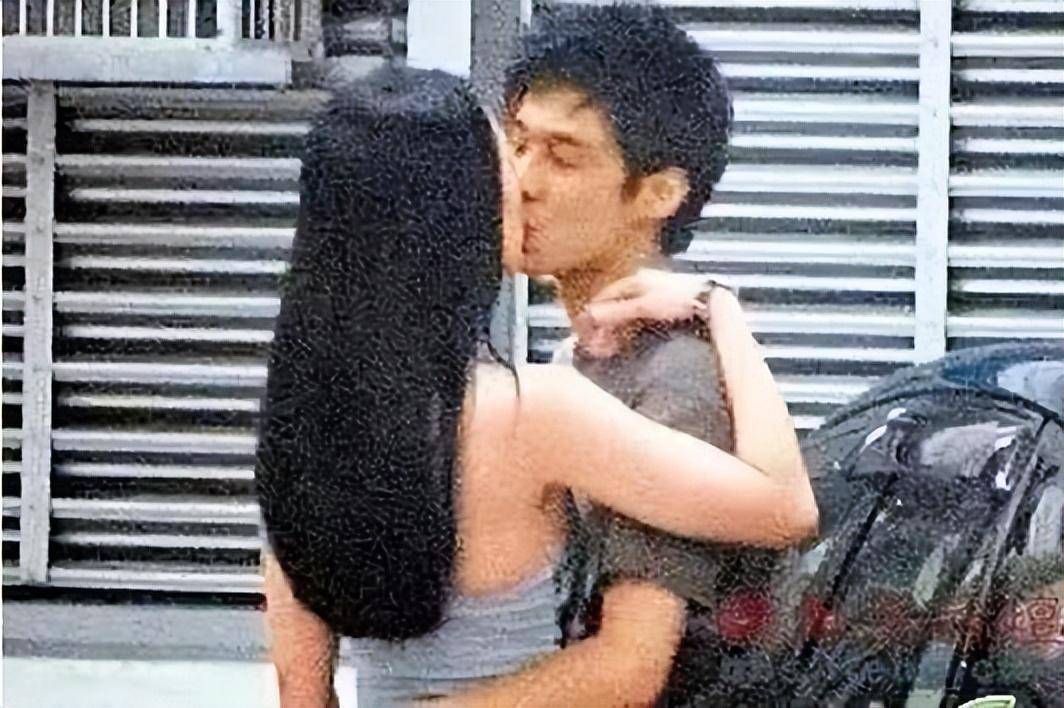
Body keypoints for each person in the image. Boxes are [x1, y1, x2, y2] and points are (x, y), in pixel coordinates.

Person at [257, 66, 816, 707]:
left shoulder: (300, 424)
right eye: (508, 160)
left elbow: (302, 693)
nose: (523, 186)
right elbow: (786, 508)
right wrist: (721, 310)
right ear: (459, 214)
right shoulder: (535, 412)